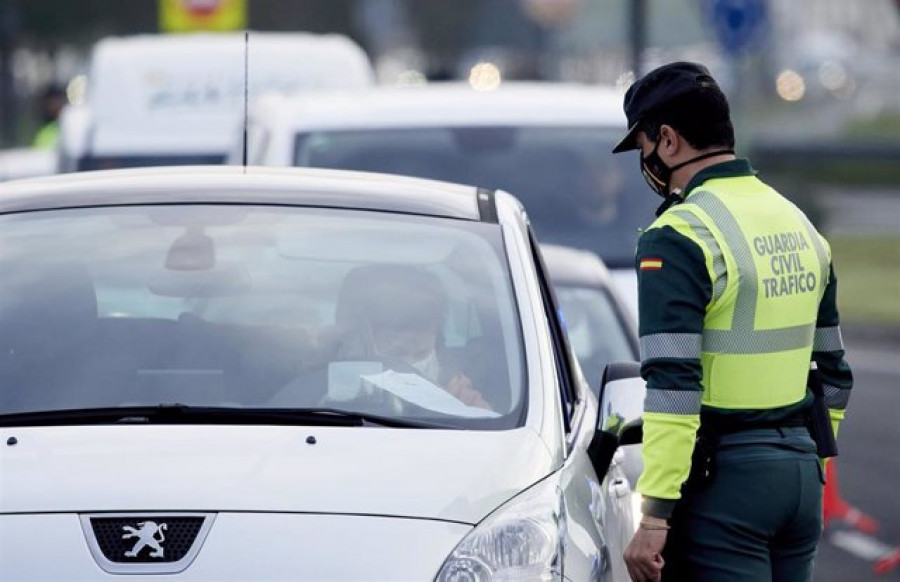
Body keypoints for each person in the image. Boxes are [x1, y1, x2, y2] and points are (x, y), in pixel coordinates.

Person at [611, 62, 853, 581]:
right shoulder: (797, 223)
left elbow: (674, 385)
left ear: (668, 140)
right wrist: (813, 467)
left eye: (645, 147)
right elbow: (834, 374)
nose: (647, 162)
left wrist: (655, 515)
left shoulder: (678, 236)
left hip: (727, 483)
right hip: (800, 476)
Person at [321, 263, 493, 411]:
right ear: (361, 341)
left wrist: (456, 407)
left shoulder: (458, 388)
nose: (411, 364)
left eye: (421, 353)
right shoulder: (317, 386)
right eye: (398, 353)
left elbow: (489, 438)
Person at [32, 83, 67, 149]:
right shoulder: (44, 135)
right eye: (53, 102)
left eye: (60, 100)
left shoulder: (72, 127)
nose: (56, 105)